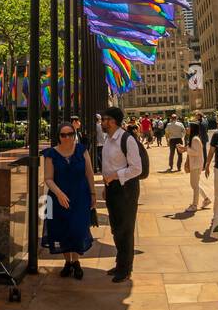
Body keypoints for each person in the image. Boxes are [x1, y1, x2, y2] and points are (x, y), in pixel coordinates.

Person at [42, 121, 95, 279]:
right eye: (63, 135)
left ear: (74, 135)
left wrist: (93, 194)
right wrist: (59, 194)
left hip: (80, 196)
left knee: (78, 229)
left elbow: (89, 173)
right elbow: (48, 178)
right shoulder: (51, 154)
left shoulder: (81, 150)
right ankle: (68, 262)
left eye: (70, 134)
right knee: (62, 230)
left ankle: (76, 261)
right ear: (58, 136)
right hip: (58, 198)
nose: (67, 138)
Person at [99, 106, 143, 282]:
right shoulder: (108, 140)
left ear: (114, 121)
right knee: (116, 228)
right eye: (103, 119)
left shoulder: (127, 139)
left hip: (126, 189)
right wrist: (106, 184)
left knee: (125, 229)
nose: (103, 122)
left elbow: (136, 168)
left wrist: (115, 176)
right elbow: (108, 165)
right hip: (112, 188)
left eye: (106, 119)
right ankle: (120, 262)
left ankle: (125, 268)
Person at [183, 121, 211, 211]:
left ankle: (195, 205)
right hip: (195, 164)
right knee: (195, 184)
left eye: (188, 127)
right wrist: (185, 148)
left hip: (196, 165)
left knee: (194, 185)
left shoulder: (195, 139)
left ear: (192, 129)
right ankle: (206, 199)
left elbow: (196, 152)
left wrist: (186, 149)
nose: (187, 128)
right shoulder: (194, 138)